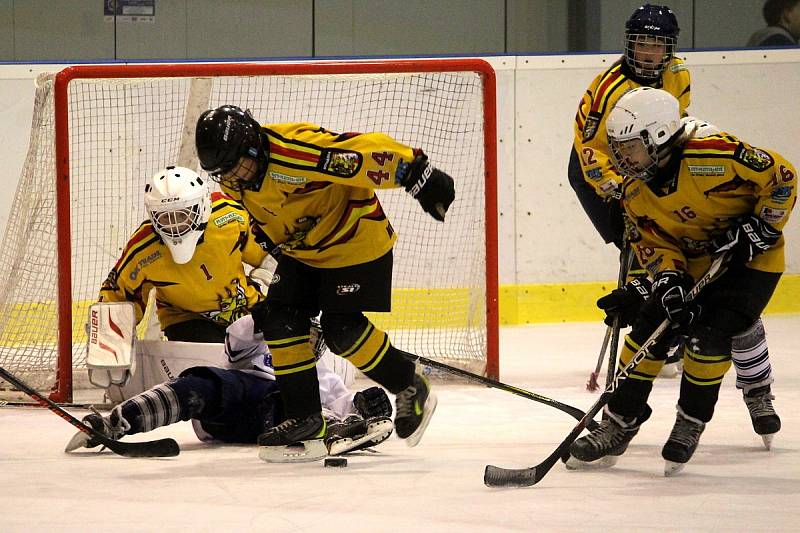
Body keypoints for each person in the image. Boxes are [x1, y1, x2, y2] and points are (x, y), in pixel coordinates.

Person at [194, 106, 454, 460]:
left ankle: (411, 386)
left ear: (254, 146)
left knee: (342, 330)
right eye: (223, 171)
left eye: (236, 165)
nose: (232, 177)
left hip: (357, 242)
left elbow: (360, 150)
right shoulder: (233, 175)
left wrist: (417, 173)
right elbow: (257, 213)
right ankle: (305, 418)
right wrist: (272, 251)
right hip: (305, 254)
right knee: (279, 320)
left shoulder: (294, 151)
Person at [568, 87, 796, 475]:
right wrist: (668, 280)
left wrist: (760, 230)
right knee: (648, 331)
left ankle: (691, 420)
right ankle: (619, 421)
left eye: (628, 148)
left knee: (710, 335)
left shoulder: (713, 153)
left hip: (751, 263)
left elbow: (783, 177)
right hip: (693, 263)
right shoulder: (634, 190)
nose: (621, 159)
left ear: (658, 136)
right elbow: (652, 241)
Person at [66, 315, 394, 458]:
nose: (308, 343)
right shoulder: (258, 345)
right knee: (198, 386)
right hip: (226, 409)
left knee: (290, 405)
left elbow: (342, 399)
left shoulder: (319, 374)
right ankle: (116, 422)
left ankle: (337, 432)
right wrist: (265, 317)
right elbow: (234, 338)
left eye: (315, 339)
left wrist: (365, 404)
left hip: (263, 426)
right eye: (304, 333)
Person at [570, 4, 687, 374]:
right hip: (600, 174)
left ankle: (659, 330)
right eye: (642, 43)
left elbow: (673, 130)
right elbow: (589, 153)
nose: (649, 52)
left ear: (669, 48)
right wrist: (623, 193)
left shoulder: (679, 75)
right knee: (637, 239)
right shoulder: (608, 89)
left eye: (658, 45)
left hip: (645, 166)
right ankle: (645, 331)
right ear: (629, 45)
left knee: (663, 240)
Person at [99, 166, 268, 343]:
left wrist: (274, 282)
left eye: (182, 214)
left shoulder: (229, 215)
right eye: (165, 217)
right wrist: (109, 336)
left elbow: (266, 251)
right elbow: (117, 293)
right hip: (185, 319)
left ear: (202, 205)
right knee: (210, 362)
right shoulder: (143, 249)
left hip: (245, 307)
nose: (175, 225)